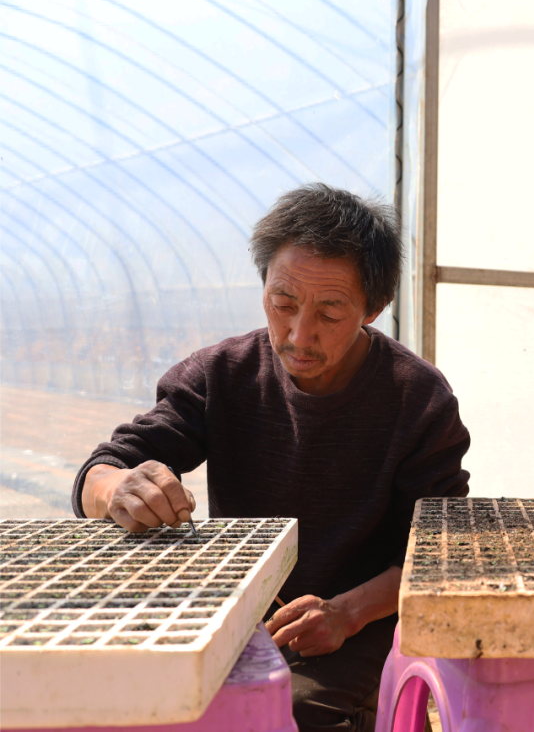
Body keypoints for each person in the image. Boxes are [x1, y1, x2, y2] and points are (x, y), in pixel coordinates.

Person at [72, 184, 470, 732]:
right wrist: (118, 489)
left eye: (330, 312)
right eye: (283, 304)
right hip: (237, 614)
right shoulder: (222, 374)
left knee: (293, 710)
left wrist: (347, 614)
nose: (299, 334)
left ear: (374, 309)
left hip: (363, 622)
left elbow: (440, 551)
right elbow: (103, 469)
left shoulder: (418, 398)